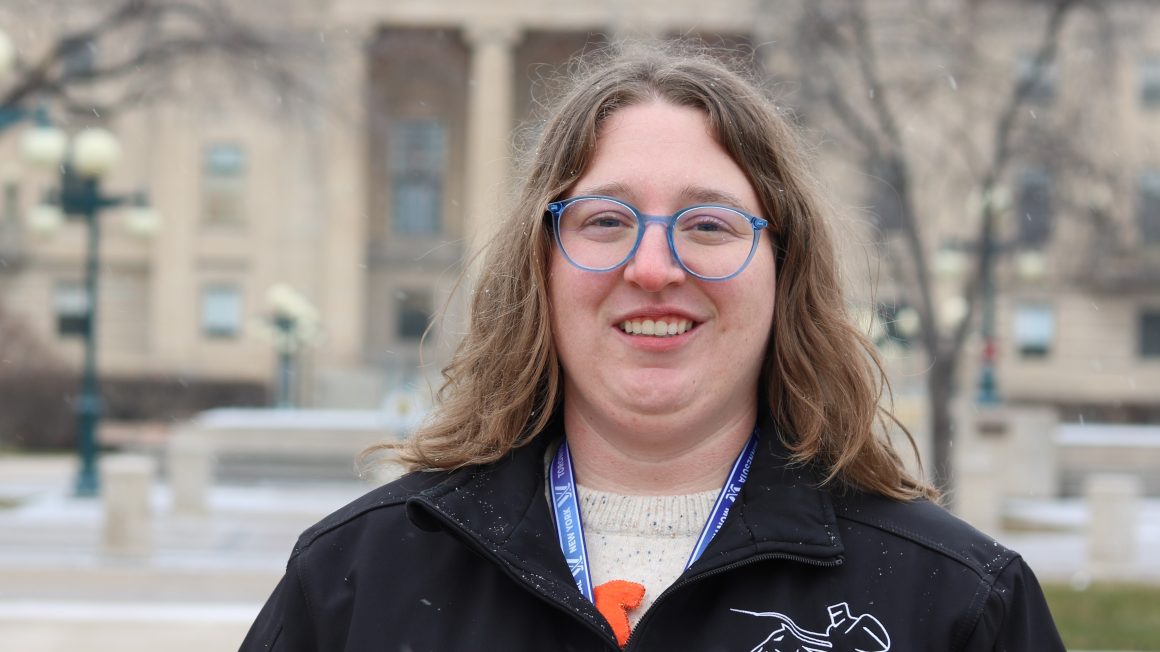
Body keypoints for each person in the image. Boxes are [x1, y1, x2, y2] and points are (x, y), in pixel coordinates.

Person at [241, 42, 1064, 651]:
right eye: (606, 221)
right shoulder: (355, 581)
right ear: (540, 268)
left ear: (785, 270)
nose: (654, 267)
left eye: (709, 224)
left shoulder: (956, 603)